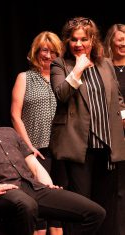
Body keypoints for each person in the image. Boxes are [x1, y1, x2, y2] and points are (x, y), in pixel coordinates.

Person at [0, 81, 106, 235]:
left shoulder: (8, 132)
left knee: (95, 213)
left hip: (32, 188)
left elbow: (33, 164)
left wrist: (48, 185)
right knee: (27, 205)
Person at [49, 17, 125, 235]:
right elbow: (62, 94)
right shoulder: (60, 64)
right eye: (74, 39)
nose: (79, 44)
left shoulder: (106, 64)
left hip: (107, 146)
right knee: (84, 208)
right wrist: (78, 69)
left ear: (93, 40)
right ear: (67, 41)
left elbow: (117, 99)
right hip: (79, 148)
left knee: (106, 207)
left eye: (84, 39)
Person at [11, 31, 63, 235]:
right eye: (44, 50)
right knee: (39, 201)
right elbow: (15, 115)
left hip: (61, 149)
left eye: (53, 52)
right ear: (36, 52)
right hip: (35, 150)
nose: (48, 55)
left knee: (59, 201)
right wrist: (28, 147)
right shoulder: (25, 78)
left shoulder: (63, 79)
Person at [104, 23, 125, 235]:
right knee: (117, 189)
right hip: (113, 133)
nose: (124, 44)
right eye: (120, 39)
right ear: (111, 41)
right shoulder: (105, 66)